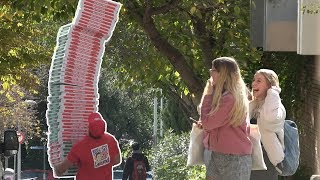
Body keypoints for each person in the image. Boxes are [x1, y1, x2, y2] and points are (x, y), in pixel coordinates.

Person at [197, 57, 252, 180]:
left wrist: (208, 94)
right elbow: (215, 124)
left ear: (223, 74)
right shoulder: (227, 95)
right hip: (221, 154)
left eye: (214, 70)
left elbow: (208, 123)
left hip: (234, 159)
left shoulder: (230, 98)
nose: (210, 73)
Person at [53, 112, 122, 180]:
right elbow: (117, 161)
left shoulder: (80, 147)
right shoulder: (111, 140)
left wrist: (55, 164)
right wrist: (101, 164)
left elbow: (60, 170)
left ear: (88, 127)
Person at [250, 69, 286, 180]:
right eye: (254, 80)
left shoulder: (277, 108)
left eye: (259, 81)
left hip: (267, 160)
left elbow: (270, 119)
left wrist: (273, 92)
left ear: (270, 86)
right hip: (248, 156)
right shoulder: (253, 105)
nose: (253, 83)